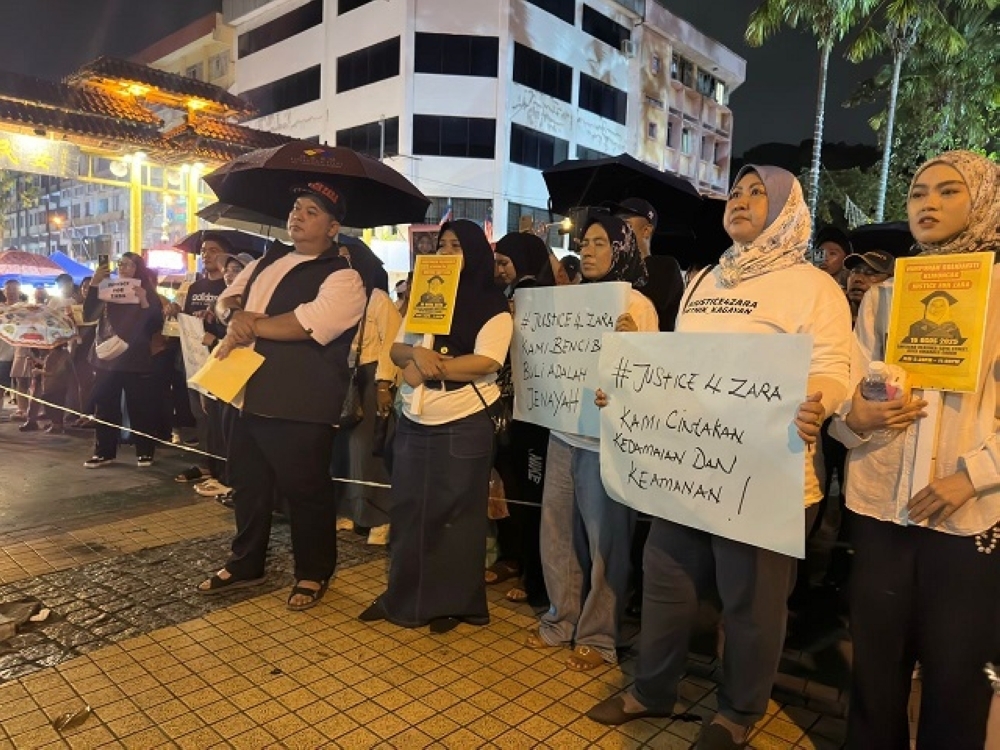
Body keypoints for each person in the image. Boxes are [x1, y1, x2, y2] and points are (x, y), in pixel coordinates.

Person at [587, 165, 851, 749]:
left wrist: (820, 401)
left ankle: (737, 712)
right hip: (691, 470)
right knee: (665, 579)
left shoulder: (814, 287)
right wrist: (627, 388)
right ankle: (652, 689)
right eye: (736, 192)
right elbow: (681, 366)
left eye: (758, 194)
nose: (741, 200)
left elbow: (837, 367)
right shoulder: (705, 279)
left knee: (752, 604)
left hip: (767, 477)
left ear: (787, 212)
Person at [831, 150, 999, 749]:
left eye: (948, 191)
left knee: (957, 677)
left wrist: (971, 476)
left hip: (966, 517)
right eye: (918, 192)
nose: (928, 203)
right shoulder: (884, 298)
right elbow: (849, 393)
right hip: (882, 505)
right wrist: (854, 418)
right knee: (875, 671)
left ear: (984, 201)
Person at [197, 182, 365, 611]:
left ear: (333, 228)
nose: (298, 216)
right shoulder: (267, 261)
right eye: (295, 208)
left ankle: (313, 570)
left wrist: (250, 323)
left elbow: (309, 324)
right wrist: (235, 315)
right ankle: (246, 561)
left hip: (300, 402)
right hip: (246, 393)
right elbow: (226, 301)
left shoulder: (343, 276)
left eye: (311, 212)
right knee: (248, 485)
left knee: (305, 491)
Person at [359, 219, 512, 633]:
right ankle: (404, 596)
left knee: (457, 516)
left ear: (475, 253)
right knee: (410, 510)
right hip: (416, 417)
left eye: (456, 246)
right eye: (442, 245)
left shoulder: (492, 305)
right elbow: (398, 348)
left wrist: (429, 367)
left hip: (463, 417)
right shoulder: (427, 296)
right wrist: (416, 356)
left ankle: (453, 604)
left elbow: (487, 361)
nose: (446, 253)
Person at [528, 214, 658, 671]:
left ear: (621, 250)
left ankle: (599, 635)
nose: (588, 250)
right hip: (562, 431)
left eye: (601, 243)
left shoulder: (637, 305)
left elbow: (648, 377)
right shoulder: (569, 298)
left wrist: (633, 346)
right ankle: (560, 618)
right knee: (557, 535)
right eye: (585, 242)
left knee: (607, 543)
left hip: (606, 441)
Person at [488, 232, 554, 606]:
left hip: (529, 414)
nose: (498, 269)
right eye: (496, 262)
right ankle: (520, 563)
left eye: (504, 262)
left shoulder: (533, 297)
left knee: (526, 493)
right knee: (512, 490)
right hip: (515, 410)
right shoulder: (512, 295)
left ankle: (532, 573)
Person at [332, 239, 401, 546]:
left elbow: (392, 343)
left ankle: (380, 517)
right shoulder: (337, 297)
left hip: (370, 378)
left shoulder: (378, 299)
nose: (343, 263)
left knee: (367, 450)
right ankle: (351, 510)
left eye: (348, 257)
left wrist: (384, 383)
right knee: (343, 451)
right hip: (343, 379)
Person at [82, 252, 163, 468]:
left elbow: (156, 325)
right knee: (105, 405)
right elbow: (89, 315)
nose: (123, 268)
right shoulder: (108, 288)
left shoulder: (146, 291)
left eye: (129, 265)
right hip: (107, 357)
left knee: (140, 406)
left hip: (135, 359)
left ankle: (145, 451)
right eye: (121, 264)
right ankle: (104, 452)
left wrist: (144, 300)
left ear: (138, 269)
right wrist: (95, 284)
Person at [172, 233, 232, 485]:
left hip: (220, 356)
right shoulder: (195, 287)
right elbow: (188, 321)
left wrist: (215, 323)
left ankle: (224, 467)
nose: (206, 255)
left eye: (213, 250)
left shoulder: (231, 287)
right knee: (200, 413)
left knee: (218, 415)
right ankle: (207, 463)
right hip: (195, 357)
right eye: (204, 250)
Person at [615, 197, 685, 332]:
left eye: (625, 224)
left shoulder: (664, 267)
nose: (618, 230)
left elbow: (643, 304)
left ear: (646, 231)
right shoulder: (612, 269)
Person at [844, 249, 894, 325]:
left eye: (870, 273)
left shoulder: (893, 321)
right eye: (854, 272)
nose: (858, 279)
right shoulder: (832, 311)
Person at [816, 225, 852, 291]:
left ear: (846, 258)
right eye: (820, 253)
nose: (825, 258)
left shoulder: (850, 293)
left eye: (832, 253)